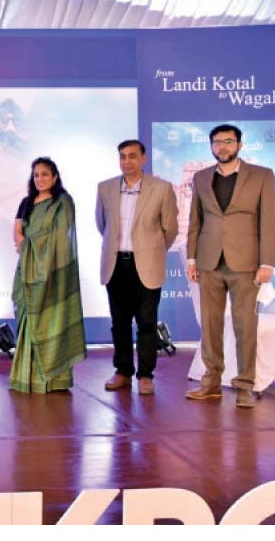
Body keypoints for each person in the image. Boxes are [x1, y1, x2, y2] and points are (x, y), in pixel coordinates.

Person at [185, 124, 275, 408]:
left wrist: (266, 263)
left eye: (228, 141)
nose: (222, 147)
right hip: (209, 261)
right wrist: (191, 258)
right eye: (217, 142)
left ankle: (245, 386)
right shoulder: (201, 178)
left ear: (239, 144)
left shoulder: (261, 176)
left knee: (244, 326)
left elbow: (268, 221)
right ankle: (211, 383)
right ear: (211, 146)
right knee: (210, 327)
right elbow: (195, 221)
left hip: (246, 263)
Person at [95, 140, 178, 395]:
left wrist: (149, 249)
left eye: (132, 156)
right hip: (116, 263)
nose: (126, 161)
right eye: (122, 156)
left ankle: (145, 375)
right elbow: (102, 224)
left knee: (146, 322)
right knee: (119, 322)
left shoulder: (162, 188)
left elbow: (170, 229)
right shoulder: (105, 188)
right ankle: (122, 371)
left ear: (143, 158)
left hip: (148, 264)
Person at [9, 157, 86, 393]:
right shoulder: (27, 202)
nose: (40, 179)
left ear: (54, 177)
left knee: (53, 318)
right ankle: (28, 376)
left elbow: (62, 236)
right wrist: (26, 248)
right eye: (36, 175)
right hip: (29, 269)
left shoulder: (63, 202)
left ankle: (53, 378)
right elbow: (18, 230)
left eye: (45, 174)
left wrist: (33, 249)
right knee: (28, 315)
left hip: (55, 272)